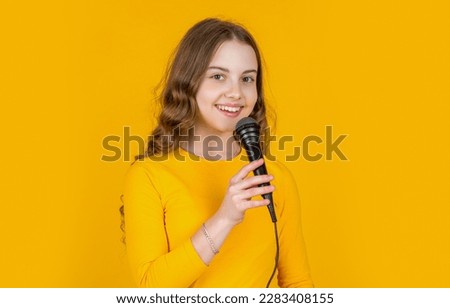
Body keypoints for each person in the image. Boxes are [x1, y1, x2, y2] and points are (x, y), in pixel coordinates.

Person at [122, 18, 313, 288]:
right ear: (189, 83)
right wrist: (225, 218)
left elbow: (298, 283)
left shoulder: (273, 178)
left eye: (247, 79)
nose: (236, 93)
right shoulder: (149, 176)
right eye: (218, 76)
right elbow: (149, 288)